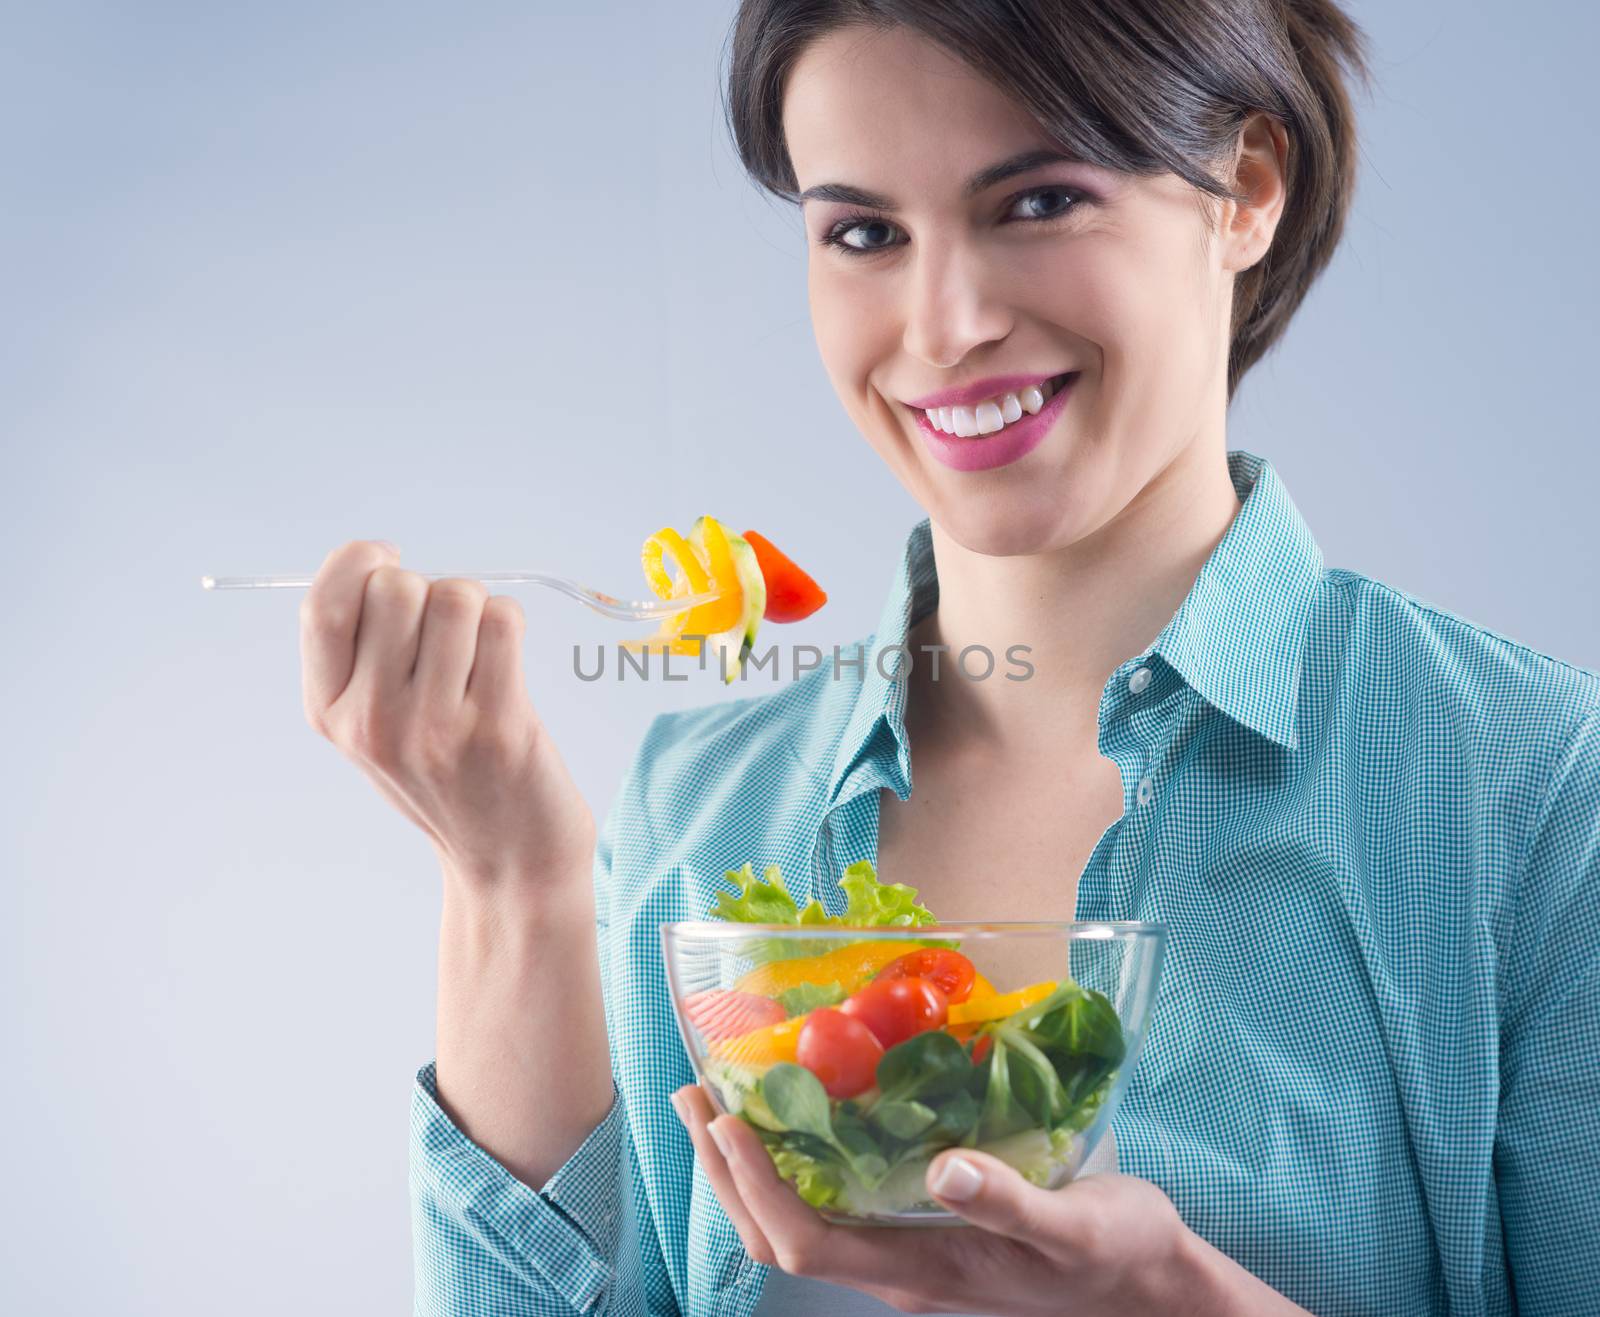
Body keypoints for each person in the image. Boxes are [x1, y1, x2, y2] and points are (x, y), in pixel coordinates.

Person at [298, 2, 1600, 1314]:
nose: (945, 324)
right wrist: (511, 881)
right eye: (865, 232)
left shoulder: (1531, 788)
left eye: (1036, 202)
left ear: (1245, 191)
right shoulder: (698, 806)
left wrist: (1183, 1301)